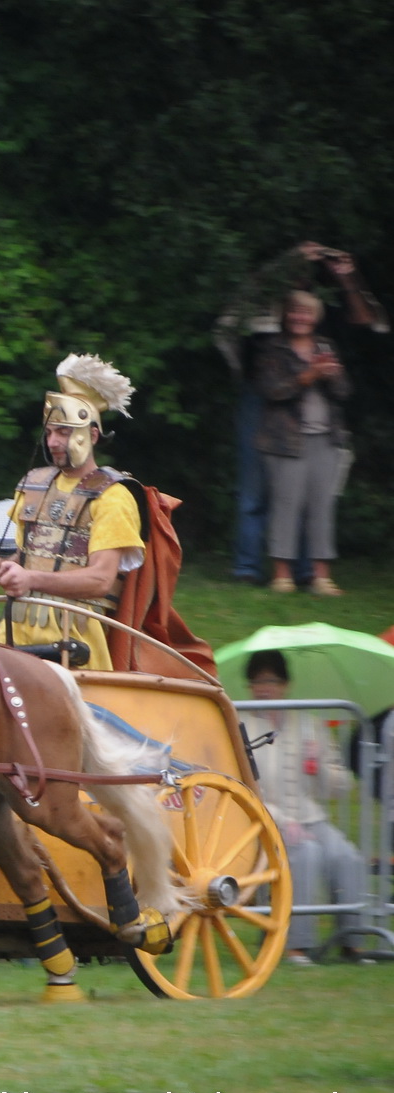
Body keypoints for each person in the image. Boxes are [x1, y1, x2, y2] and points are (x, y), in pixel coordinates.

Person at [215, 242, 385, 583]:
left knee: (311, 493)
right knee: (255, 489)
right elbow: (234, 321)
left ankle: (307, 572)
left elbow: (366, 319)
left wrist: (347, 276)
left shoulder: (326, 301)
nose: (302, 272)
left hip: (315, 405)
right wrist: (287, 261)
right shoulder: (264, 300)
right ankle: (248, 568)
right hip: (262, 393)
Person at [0, 354, 143, 672]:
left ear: (91, 435)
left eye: (63, 432)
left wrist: (31, 578)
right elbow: (28, 557)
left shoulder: (113, 497)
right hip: (15, 633)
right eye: (49, 432)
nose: (53, 442)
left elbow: (101, 579)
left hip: (74, 644)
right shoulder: (33, 485)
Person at [241, 650, 370, 964]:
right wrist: (282, 820)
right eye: (258, 682)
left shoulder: (310, 725)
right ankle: (296, 945)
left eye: (271, 681)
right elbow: (243, 787)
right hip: (264, 819)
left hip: (311, 817)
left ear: (285, 685)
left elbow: (339, 788)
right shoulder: (240, 724)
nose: (264, 689)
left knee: (347, 856)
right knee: (306, 853)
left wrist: (320, 766)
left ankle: (352, 942)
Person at [254, 291, 352, 596]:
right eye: (295, 311)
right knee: (286, 507)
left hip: (327, 439)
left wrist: (331, 375)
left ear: (315, 317)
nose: (300, 317)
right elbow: (272, 391)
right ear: (286, 315)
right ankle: (282, 577)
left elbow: (344, 392)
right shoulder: (273, 348)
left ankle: (321, 578)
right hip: (285, 441)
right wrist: (309, 375)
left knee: (322, 508)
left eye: (306, 312)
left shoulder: (326, 346)